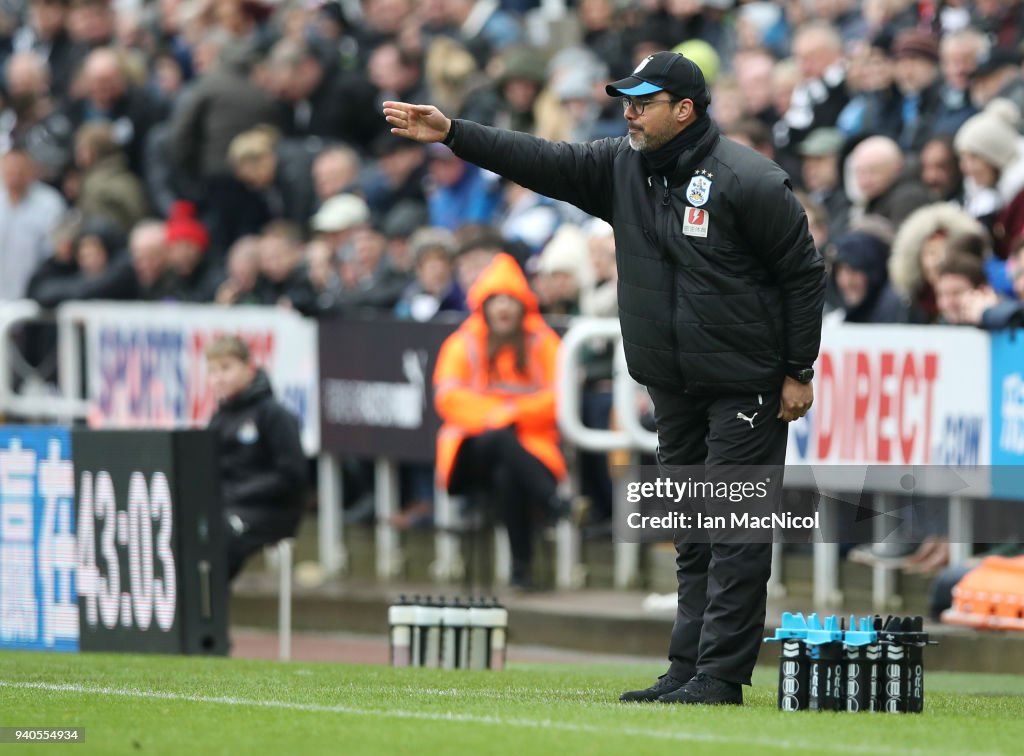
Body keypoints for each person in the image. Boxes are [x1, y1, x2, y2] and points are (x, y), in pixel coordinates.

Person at [385, 50, 825, 705]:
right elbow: (538, 157)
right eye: (626, 101)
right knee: (692, 530)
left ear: (684, 109)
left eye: (642, 103)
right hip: (672, 384)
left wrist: (797, 369)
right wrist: (454, 132)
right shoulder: (621, 165)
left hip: (745, 384)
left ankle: (721, 676)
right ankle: (687, 665)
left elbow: (803, 275)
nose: (628, 113)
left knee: (735, 532)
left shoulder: (749, 179)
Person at [433, 252, 566, 591]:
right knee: (494, 437)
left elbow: (560, 399)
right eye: (496, 300)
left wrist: (513, 415)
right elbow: (448, 398)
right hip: (469, 458)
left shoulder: (543, 342)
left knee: (507, 473)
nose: (504, 308)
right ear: (484, 305)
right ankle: (552, 500)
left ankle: (520, 570)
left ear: (523, 304)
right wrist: (496, 416)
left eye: (511, 299)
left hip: (528, 453)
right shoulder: (462, 343)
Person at [205, 335, 307, 581]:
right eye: (213, 371)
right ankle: (191, 612)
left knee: (218, 539)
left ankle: (210, 612)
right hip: (229, 506)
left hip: (272, 510)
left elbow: (292, 474)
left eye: (226, 368)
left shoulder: (274, 414)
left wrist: (236, 493)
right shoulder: (219, 418)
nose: (219, 377)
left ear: (248, 367)